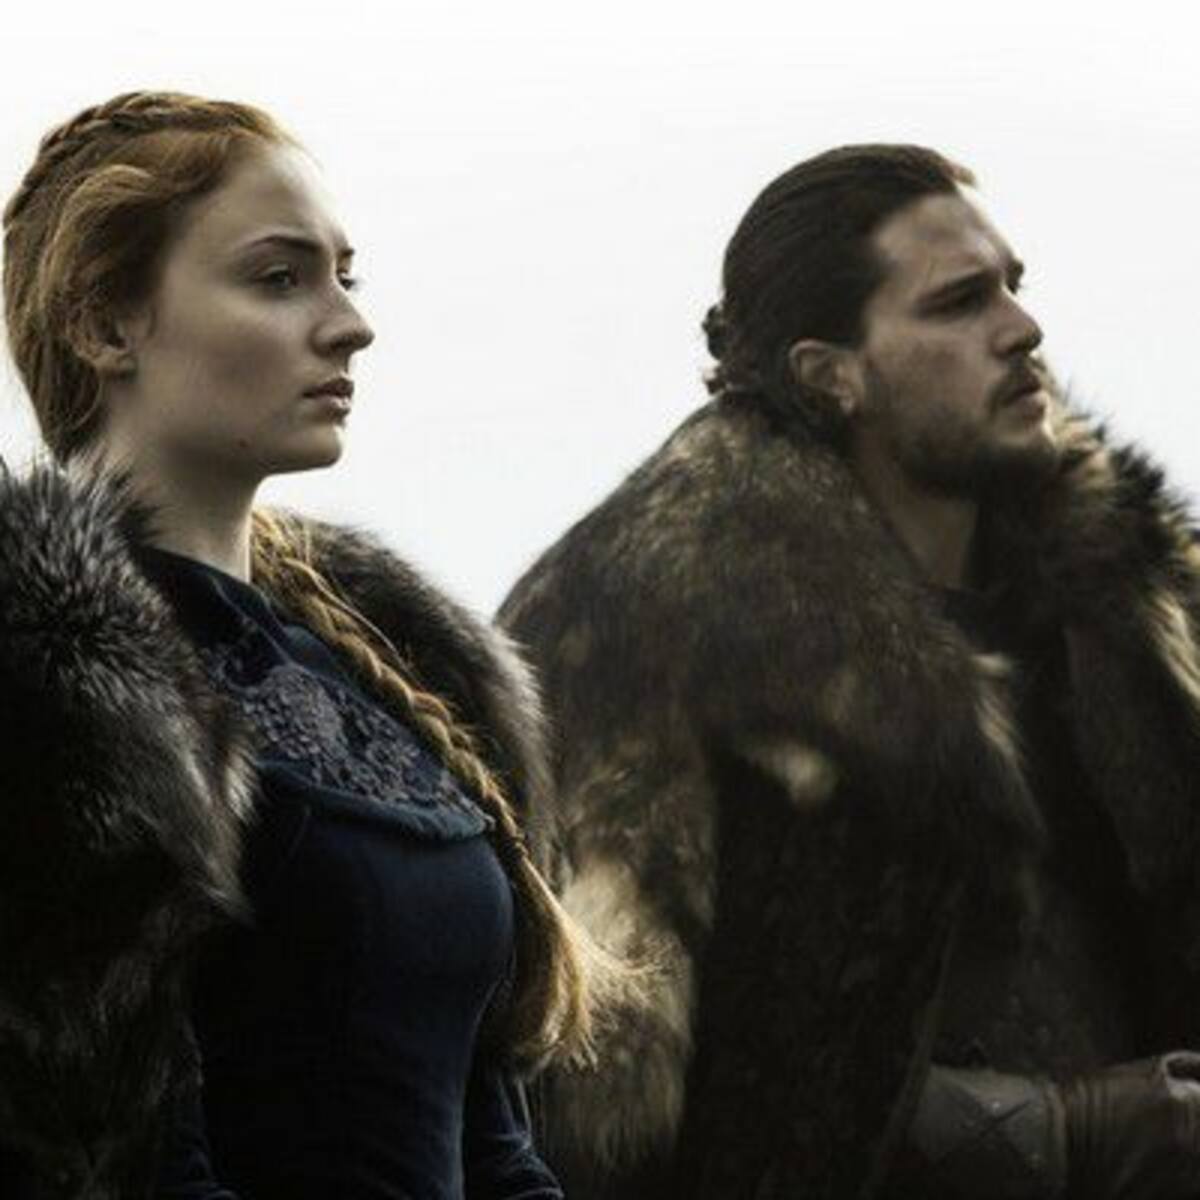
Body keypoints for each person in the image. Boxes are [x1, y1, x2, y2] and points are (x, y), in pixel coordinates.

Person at [498, 145, 1200, 1199]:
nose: (1021, 328)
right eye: (959, 303)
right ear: (830, 374)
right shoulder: (643, 623)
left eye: (1013, 285)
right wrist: (1059, 1133)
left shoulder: (1127, 604)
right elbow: (610, 1090)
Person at [0, 90, 599, 1199]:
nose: (349, 325)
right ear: (105, 325)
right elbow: (109, 1162)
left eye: (345, 277)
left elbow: (492, 1141)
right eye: (279, 279)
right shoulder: (44, 680)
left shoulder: (394, 670)